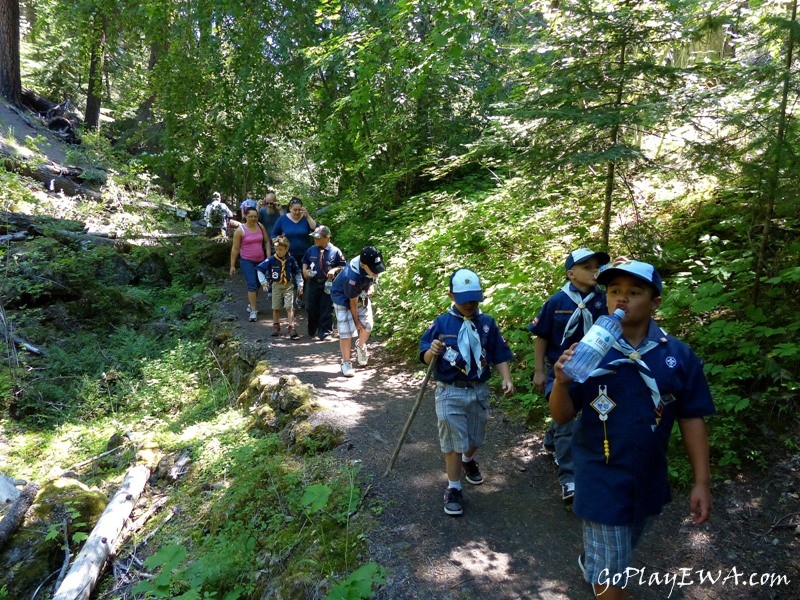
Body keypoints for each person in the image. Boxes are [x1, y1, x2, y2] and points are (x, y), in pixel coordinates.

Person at [549, 260, 714, 599]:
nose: (622, 299)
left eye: (634, 292)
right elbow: (563, 416)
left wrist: (701, 482)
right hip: (600, 475)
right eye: (614, 291)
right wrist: (561, 384)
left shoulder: (678, 356)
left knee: (625, 542)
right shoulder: (590, 350)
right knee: (613, 580)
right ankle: (602, 568)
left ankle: (595, 560)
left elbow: (691, 417)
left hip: (648, 476)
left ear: (655, 302)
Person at [419, 268, 515, 517]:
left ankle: (468, 460)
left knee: (474, 440)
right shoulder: (441, 323)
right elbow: (425, 355)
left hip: (478, 391)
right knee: (452, 442)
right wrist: (433, 351)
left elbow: (499, 354)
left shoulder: (487, 324)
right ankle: (454, 487)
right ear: (452, 296)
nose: (470, 304)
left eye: (474, 298)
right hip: (449, 391)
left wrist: (506, 378)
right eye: (464, 299)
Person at [528, 247, 610, 504]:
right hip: (561, 372)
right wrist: (540, 371)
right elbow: (542, 336)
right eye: (587, 267)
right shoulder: (556, 302)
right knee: (565, 423)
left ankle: (552, 438)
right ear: (571, 274)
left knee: (588, 417)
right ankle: (569, 478)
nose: (593, 271)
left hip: (595, 371)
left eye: (596, 266)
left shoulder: (604, 300)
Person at [330, 246, 385, 377]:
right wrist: (356, 322)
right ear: (363, 265)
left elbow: (371, 278)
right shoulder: (352, 277)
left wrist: (370, 287)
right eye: (373, 270)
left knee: (368, 326)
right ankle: (346, 362)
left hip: (359, 294)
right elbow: (352, 303)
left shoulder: (370, 264)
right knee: (346, 332)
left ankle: (360, 345)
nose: (376, 272)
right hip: (343, 298)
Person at [302, 225, 346, 341]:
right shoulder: (311, 249)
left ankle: (325, 333)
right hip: (313, 282)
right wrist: (304, 271)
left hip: (328, 283)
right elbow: (305, 261)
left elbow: (342, 266)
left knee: (326, 308)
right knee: (311, 307)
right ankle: (313, 330)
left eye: (318, 238)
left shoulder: (335, 251)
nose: (315, 240)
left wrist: (334, 270)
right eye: (314, 238)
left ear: (327, 238)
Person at [229, 206, 271, 322]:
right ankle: (253, 310)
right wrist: (232, 266)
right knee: (252, 284)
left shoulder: (260, 226)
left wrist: (268, 258)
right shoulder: (240, 230)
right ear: (246, 216)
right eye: (251, 216)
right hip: (247, 261)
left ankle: (251, 303)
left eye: (255, 216)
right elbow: (235, 249)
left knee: (258, 284)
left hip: (261, 261)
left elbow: (267, 242)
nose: (253, 218)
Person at [256, 236, 303, 338]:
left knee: (289, 307)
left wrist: (300, 284)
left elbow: (297, 272)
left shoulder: (291, 260)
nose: (278, 251)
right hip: (276, 286)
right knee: (275, 307)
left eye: (280, 249)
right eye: (276, 249)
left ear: (286, 249)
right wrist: (263, 282)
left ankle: (292, 327)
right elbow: (260, 269)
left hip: (288, 285)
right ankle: (276, 326)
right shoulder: (271, 259)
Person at [271, 197, 317, 269]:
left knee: (304, 277)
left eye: (299, 210)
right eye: (295, 210)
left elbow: (315, 229)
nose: (297, 212)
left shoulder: (305, 218)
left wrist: (307, 216)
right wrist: (276, 242)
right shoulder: (283, 219)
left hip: (305, 255)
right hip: (288, 255)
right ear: (290, 209)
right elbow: (274, 234)